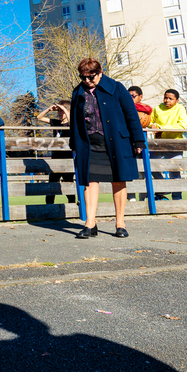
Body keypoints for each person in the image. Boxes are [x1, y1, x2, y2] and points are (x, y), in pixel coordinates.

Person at [69, 58, 145, 239]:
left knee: (119, 180)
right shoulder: (78, 91)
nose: (87, 81)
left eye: (91, 77)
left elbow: (131, 115)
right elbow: (74, 120)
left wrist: (138, 141)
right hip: (88, 144)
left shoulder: (116, 88)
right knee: (89, 182)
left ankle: (120, 224)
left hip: (117, 142)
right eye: (83, 77)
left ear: (100, 73)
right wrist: (74, 143)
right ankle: (90, 224)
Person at [148, 89, 187, 200]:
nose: (167, 100)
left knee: (174, 171)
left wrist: (161, 128)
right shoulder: (158, 108)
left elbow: (182, 126)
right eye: (166, 97)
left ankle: (177, 199)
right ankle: (163, 187)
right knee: (151, 165)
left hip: (174, 143)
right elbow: (149, 121)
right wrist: (152, 125)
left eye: (171, 99)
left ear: (177, 100)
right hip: (158, 143)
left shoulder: (180, 109)